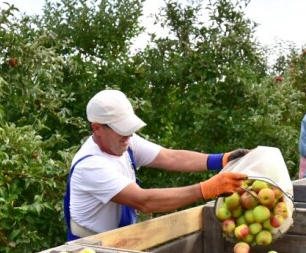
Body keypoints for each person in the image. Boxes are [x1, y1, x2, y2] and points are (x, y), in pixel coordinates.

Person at [64, 89, 249, 240]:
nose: (128, 136)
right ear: (97, 128)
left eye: (130, 129)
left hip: (119, 241)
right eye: (122, 130)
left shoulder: (125, 141)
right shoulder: (90, 166)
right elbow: (144, 201)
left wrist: (222, 159)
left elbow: (171, 157)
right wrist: (207, 189)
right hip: (91, 251)